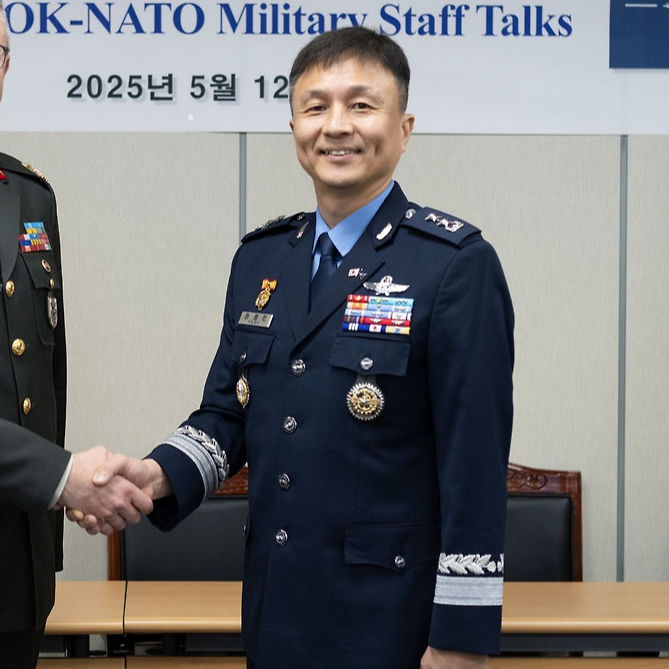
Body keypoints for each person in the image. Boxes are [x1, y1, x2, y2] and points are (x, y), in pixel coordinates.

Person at [78, 26, 514, 669]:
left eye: (361, 104)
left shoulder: (454, 265)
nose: (336, 125)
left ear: (404, 128)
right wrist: (157, 473)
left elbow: (474, 467)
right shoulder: (261, 259)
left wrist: (460, 640)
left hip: (394, 626)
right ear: (294, 128)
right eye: (316, 107)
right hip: (275, 614)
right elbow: (228, 414)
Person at [0, 4, 154, 666]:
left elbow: (45, 378)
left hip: (17, 571)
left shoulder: (29, 196)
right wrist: (65, 477)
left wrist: (49, 537)